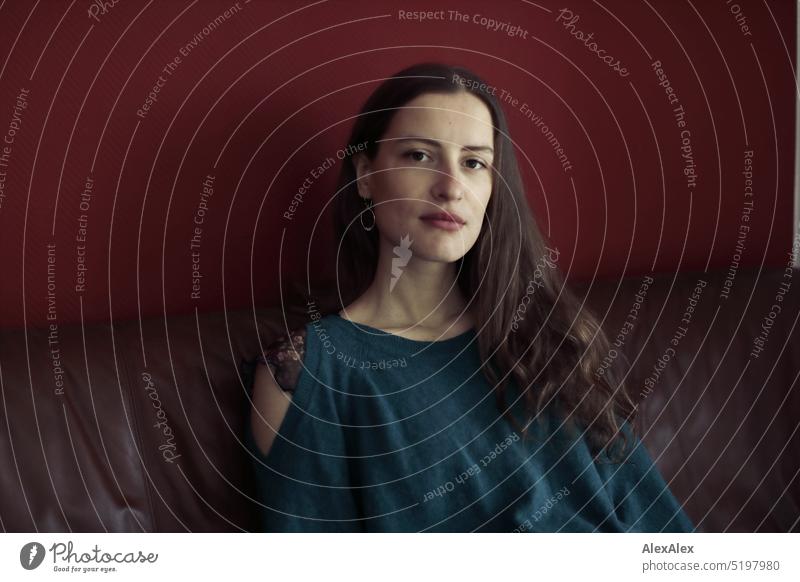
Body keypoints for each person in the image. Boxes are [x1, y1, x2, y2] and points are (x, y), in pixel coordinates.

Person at [241, 62, 695, 532]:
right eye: (419, 156)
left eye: (474, 162)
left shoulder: (547, 334)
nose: (451, 187)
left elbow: (660, 525)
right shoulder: (307, 374)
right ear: (365, 175)